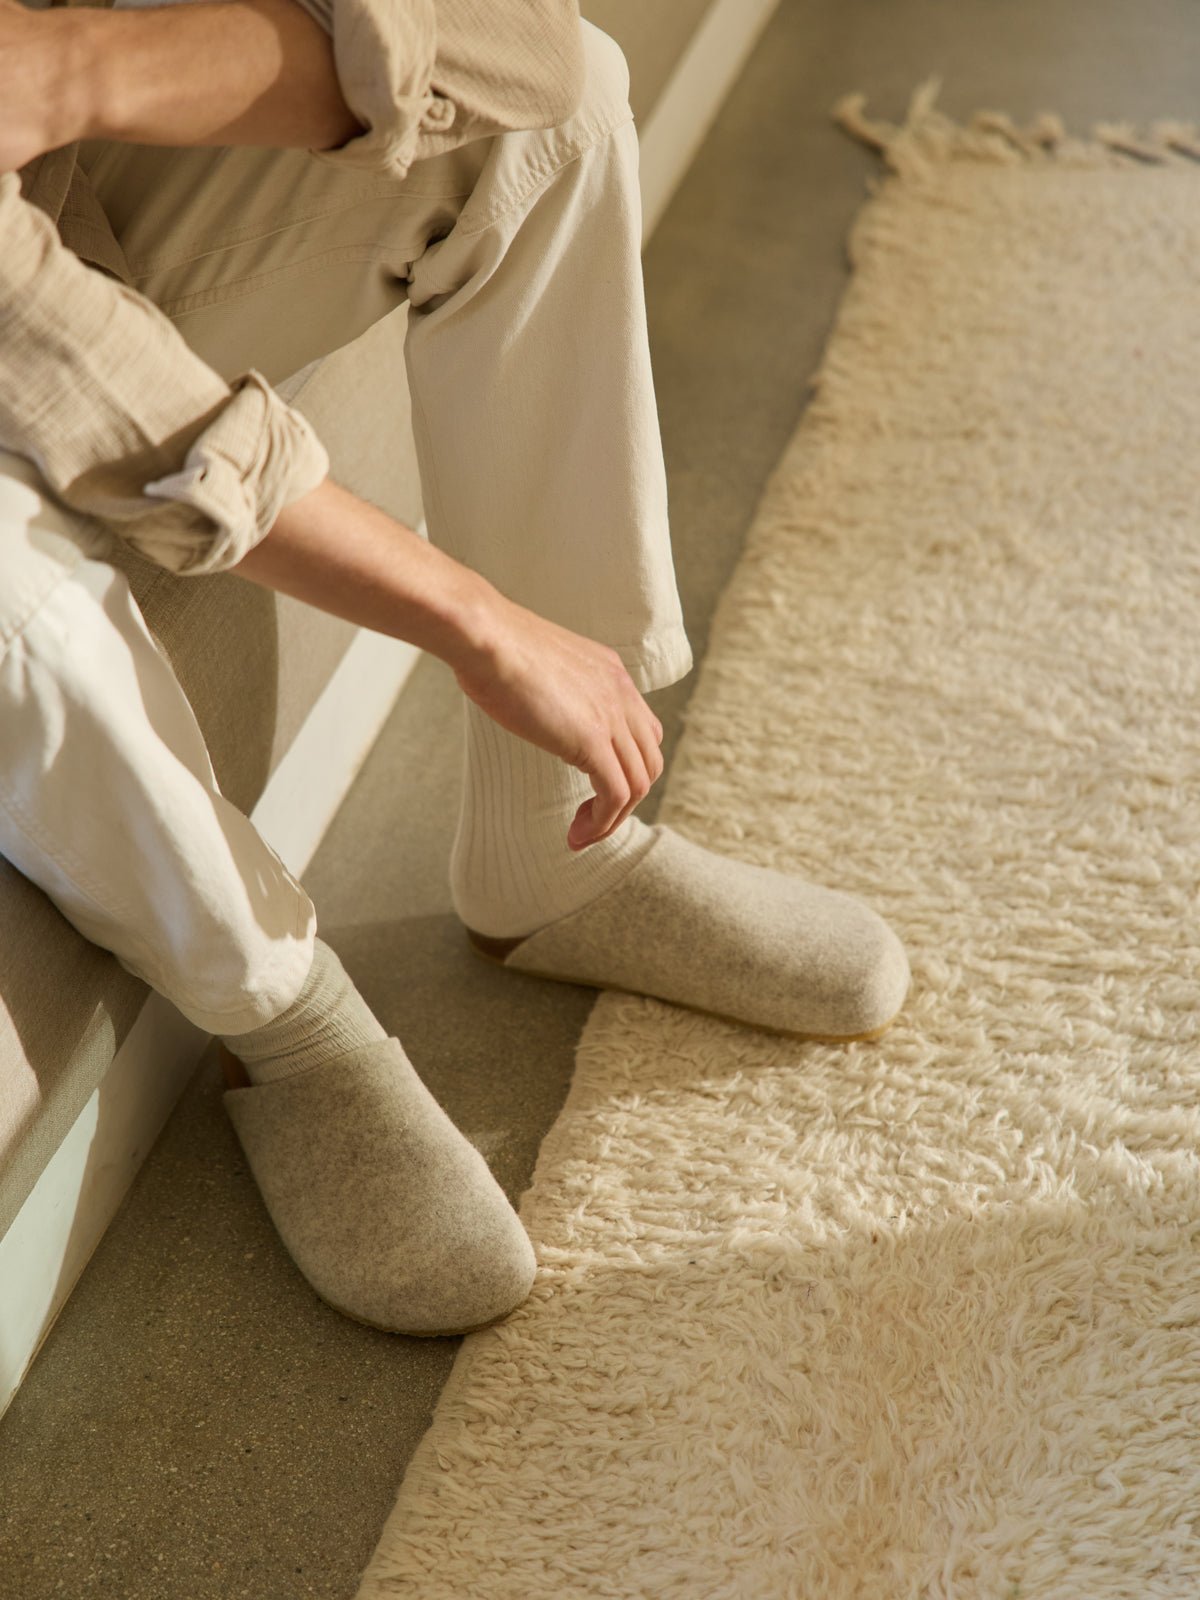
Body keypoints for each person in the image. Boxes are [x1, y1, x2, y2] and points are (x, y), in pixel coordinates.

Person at [0, 0, 910, 1338]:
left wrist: (72, 67)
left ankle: (548, 855)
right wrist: (478, 620)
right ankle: (291, 1022)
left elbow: (521, 44)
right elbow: (70, 374)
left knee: (563, 109)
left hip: (57, 215)